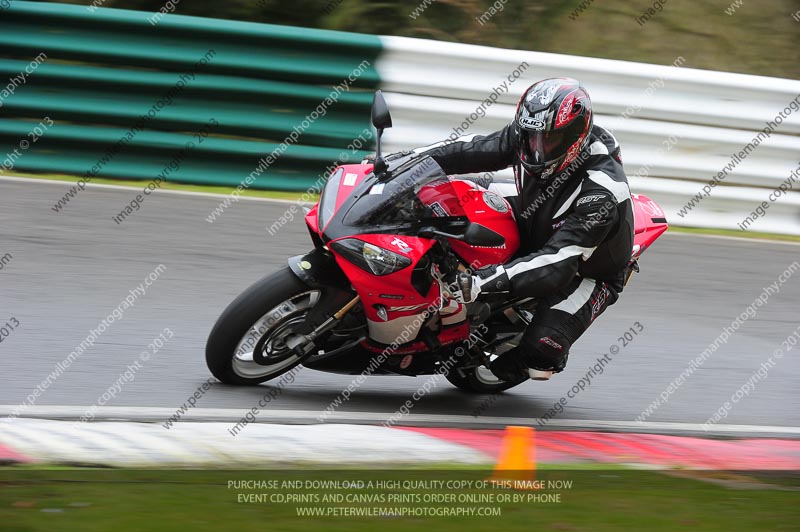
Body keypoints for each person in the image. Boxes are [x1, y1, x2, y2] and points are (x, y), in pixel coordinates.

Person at [401, 78, 634, 382]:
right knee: (449, 201)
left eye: (546, 140)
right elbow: (469, 149)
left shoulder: (601, 193)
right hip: (535, 214)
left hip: (586, 268)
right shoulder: (529, 135)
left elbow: (558, 263)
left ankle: (523, 360)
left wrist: (482, 282)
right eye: (530, 137)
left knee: (541, 349)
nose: (535, 148)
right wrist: (406, 161)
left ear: (573, 138)